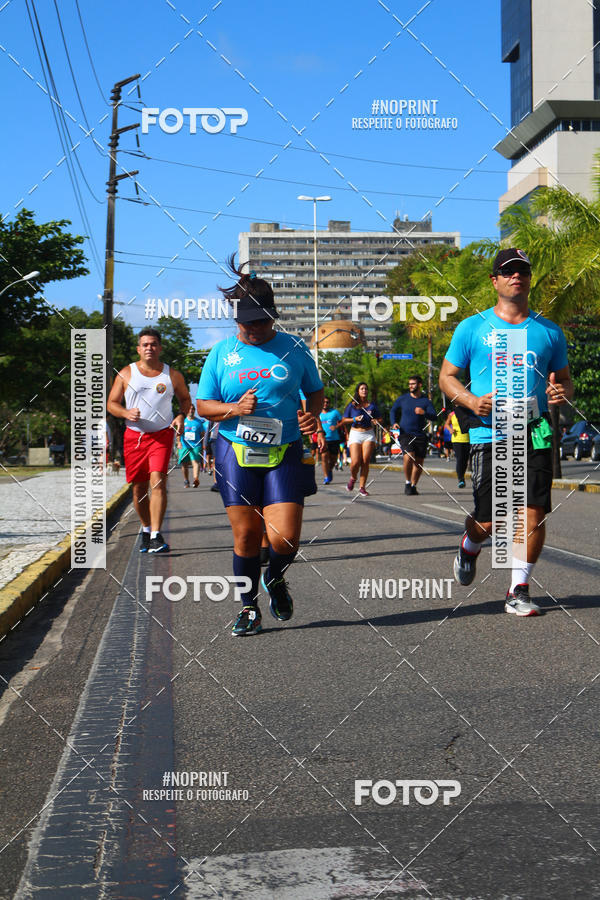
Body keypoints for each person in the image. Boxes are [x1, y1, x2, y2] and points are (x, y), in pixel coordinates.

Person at [439, 248, 573, 616]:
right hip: (489, 432)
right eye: (508, 271)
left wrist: (561, 392)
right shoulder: (473, 328)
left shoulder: (548, 332)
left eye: (523, 271)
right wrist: (470, 400)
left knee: (534, 511)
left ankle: (519, 589)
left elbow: (564, 381)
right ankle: (469, 544)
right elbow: (447, 377)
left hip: (534, 430)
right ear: (494, 280)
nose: (517, 276)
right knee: (491, 520)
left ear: (529, 279)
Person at [196, 255, 325, 636]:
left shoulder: (294, 347)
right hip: (235, 447)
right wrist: (235, 408)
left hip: (285, 448)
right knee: (247, 536)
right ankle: (248, 607)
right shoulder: (221, 354)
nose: (257, 329)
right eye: (249, 323)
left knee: (284, 537)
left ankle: (276, 578)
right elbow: (204, 406)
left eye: (264, 321)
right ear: (236, 320)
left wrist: (311, 415)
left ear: (274, 315)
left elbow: (315, 392)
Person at [107, 327, 191, 553]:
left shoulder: (172, 375)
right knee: (138, 489)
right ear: (138, 349)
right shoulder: (126, 373)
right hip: (134, 437)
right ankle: (145, 529)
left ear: (160, 348)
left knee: (158, 482)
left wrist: (181, 416)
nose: (149, 348)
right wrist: (126, 413)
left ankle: (156, 534)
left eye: (153, 344)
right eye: (145, 344)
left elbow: (185, 399)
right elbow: (111, 403)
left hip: (161, 435)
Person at [390, 376, 438, 495]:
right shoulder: (403, 399)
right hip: (406, 434)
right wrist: (394, 422)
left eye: (413, 384)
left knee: (419, 463)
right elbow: (393, 411)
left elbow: (434, 416)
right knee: (409, 456)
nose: (410, 386)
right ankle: (407, 482)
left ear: (420, 385)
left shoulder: (425, 401)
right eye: (409, 384)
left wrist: (424, 413)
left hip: (420, 435)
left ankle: (413, 485)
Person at [340, 383, 382, 496]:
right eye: (362, 389)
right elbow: (343, 420)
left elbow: (379, 419)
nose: (364, 390)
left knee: (365, 461)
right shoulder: (352, 405)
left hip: (368, 434)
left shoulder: (372, 406)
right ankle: (353, 478)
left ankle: (362, 487)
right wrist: (354, 418)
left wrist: (376, 421)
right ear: (358, 391)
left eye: (366, 389)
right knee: (355, 462)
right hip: (355, 433)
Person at [178, 405, 206, 487]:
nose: (191, 410)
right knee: (184, 464)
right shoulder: (183, 421)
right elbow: (178, 433)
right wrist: (179, 442)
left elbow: (202, 434)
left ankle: (195, 479)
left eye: (193, 409)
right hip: (184, 445)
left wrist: (203, 444)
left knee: (195, 462)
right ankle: (186, 480)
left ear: (194, 410)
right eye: (189, 409)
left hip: (195, 445)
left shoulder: (198, 422)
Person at [319, 397, 343, 484]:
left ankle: (329, 470)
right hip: (323, 439)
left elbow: (342, 421)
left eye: (327, 402)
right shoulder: (318, 414)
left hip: (334, 439)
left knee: (333, 459)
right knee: (324, 457)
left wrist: (336, 427)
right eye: (324, 402)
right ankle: (326, 477)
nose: (325, 404)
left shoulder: (334, 412)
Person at [448, 408, 470, 488]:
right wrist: (450, 429)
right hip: (457, 440)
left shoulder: (468, 413)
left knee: (465, 460)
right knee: (460, 459)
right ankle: (460, 479)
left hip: (468, 439)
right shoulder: (452, 414)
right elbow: (446, 424)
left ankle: (462, 476)